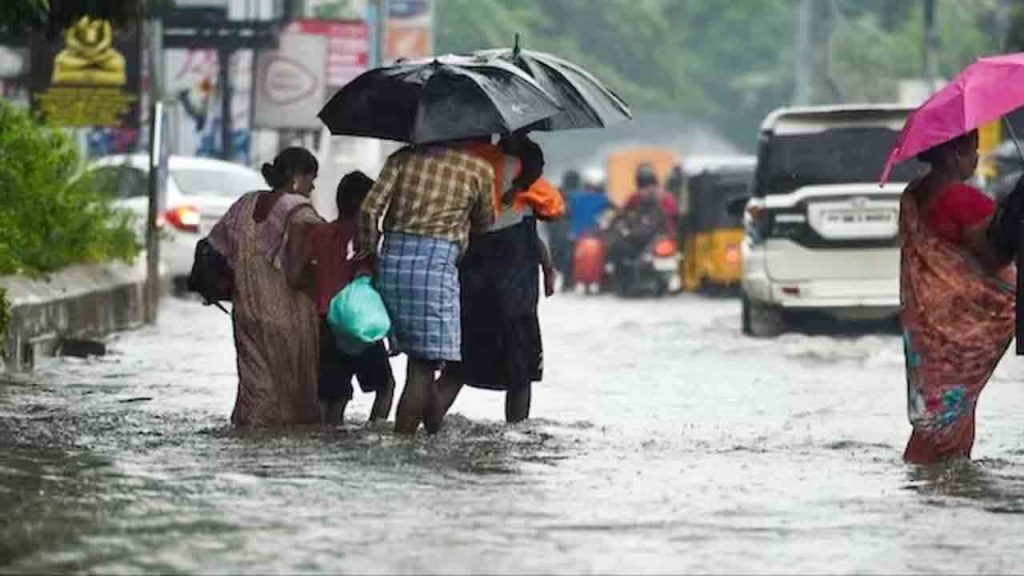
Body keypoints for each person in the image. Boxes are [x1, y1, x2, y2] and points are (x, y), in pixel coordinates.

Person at [358, 140, 495, 435]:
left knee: (420, 359)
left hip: (392, 264)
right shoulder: (478, 169)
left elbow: (369, 210)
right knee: (422, 366)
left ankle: (435, 434)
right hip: (435, 268)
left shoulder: (402, 158)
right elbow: (485, 223)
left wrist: (369, 251)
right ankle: (405, 444)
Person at [899, 129, 1015, 465]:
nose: (977, 158)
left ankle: (934, 481)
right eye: (973, 151)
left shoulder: (914, 193)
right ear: (954, 156)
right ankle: (939, 478)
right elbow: (993, 258)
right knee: (951, 411)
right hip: (964, 325)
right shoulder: (962, 200)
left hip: (927, 323)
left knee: (941, 407)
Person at [434, 133, 563, 424]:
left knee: (455, 370)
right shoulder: (519, 171)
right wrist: (548, 268)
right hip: (515, 292)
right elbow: (544, 217)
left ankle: (423, 428)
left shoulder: (457, 167)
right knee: (520, 375)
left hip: (470, 286)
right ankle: (515, 436)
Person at [207, 147, 324, 427]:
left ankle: (249, 435)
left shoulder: (243, 204)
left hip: (246, 309)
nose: (313, 185)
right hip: (289, 315)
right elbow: (297, 273)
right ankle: (280, 448)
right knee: (292, 391)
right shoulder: (299, 211)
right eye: (311, 178)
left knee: (255, 386)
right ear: (297, 177)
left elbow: (217, 245)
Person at [305, 171, 395, 426]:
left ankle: (328, 440)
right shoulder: (367, 238)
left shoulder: (320, 233)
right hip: (358, 322)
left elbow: (305, 271)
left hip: (325, 322)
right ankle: (373, 432)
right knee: (385, 386)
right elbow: (376, 275)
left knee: (333, 395)